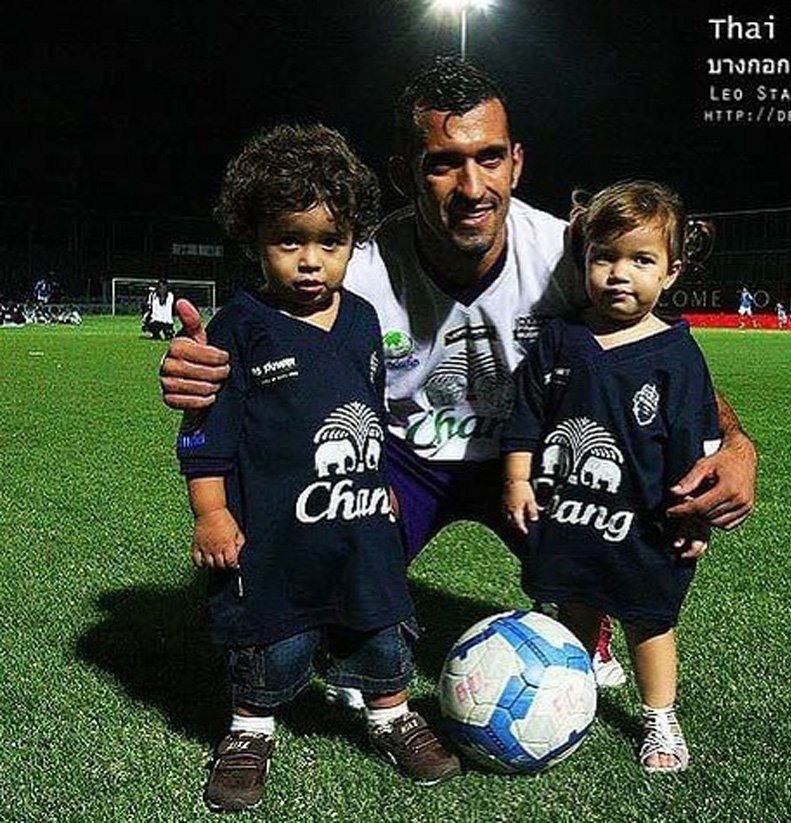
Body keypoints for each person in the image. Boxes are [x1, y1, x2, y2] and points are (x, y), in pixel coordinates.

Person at [158, 57, 758, 693]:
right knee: (333, 551)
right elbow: (260, 340)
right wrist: (200, 367)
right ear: (404, 174)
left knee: (615, 504)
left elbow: (655, 359)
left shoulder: (569, 257)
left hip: (528, 456)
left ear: (516, 163)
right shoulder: (358, 269)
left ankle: (592, 617)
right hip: (406, 460)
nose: (473, 186)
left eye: (490, 158)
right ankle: (336, 626)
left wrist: (736, 444)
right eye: (444, 163)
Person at [176, 124, 459, 812]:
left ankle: (391, 714)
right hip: (273, 533)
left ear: (352, 239)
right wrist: (211, 511)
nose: (310, 261)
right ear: (255, 239)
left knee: (379, 618)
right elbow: (205, 432)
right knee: (270, 633)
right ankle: (250, 730)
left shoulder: (362, 319)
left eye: (330, 242)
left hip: (360, 522)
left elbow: (371, 412)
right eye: (289, 241)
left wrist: (382, 482)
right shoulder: (240, 326)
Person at [502, 181, 719, 773]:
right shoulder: (559, 339)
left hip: (646, 524)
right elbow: (526, 416)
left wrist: (694, 516)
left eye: (641, 260)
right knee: (573, 608)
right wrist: (518, 480)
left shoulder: (678, 355)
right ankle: (570, 700)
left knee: (649, 621)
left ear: (671, 273)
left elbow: (696, 446)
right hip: (570, 517)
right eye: (605, 257)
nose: (620, 273)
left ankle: (659, 717)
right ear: (584, 262)